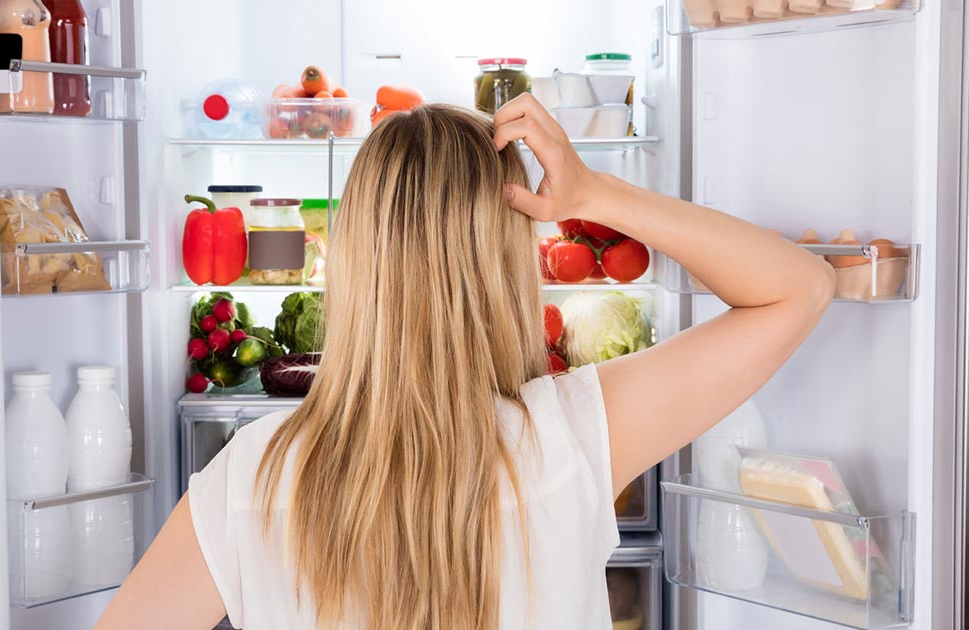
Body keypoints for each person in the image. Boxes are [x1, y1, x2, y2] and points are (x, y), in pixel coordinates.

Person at [97, 96, 835, 630]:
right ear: (505, 260)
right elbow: (799, 288)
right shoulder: (575, 433)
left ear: (352, 261)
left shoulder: (248, 477)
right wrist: (593, 192)